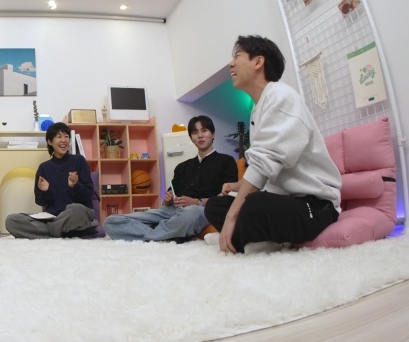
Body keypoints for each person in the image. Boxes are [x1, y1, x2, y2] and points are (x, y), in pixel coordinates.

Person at [203, 35, 341, 254]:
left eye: (237, 56)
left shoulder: (281, 97)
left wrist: (231, 217)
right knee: (214, 205)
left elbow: (265, 163)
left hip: (315, 206)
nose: (231, 64)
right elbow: (268, 167)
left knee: (254, 205)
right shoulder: (258, 107)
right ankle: (249, 238)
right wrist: (238, 186)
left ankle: (240, 237)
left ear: (258, 61)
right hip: (283, 199)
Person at [103, 115, 238, 242]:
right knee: (111, 222)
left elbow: (226, 199)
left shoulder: (226, 161)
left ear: (213, 134)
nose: (200, 135)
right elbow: (171, 193)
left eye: (204, 130)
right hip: (171, 210)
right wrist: (167, 199)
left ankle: (155, 233)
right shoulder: (182, 167)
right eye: (195, 132)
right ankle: (166, 233)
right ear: (191, 138)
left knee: (191, 214)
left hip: (200, 210)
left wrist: (196, 202)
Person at [5, 122, 98, 238]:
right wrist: (46, 191)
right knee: (12, 220)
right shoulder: (44, 168)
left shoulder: (79, 160)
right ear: (50, 142)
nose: (64, 140)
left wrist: (75, 185)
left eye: (66, 136)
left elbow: (89, 192)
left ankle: (50, 232)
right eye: (59, 137)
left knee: (77, 210)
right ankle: (61, 231)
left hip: (76, 215)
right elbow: (40, 201)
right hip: (54, 217)